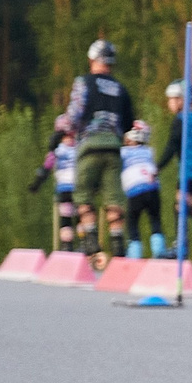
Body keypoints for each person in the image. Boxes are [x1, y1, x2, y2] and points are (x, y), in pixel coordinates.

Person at [63, 40, 135, 268]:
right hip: (113, 148)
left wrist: (63, 129)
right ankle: (118, 249)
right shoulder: (121, 88)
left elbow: (74, 115)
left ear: (92, 59)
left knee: (83, 196)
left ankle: (92, 245)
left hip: (89, 146)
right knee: (114, 199)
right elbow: (129, 123)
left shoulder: (84, 82)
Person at [156, 80, 192, 261]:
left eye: (172, 99)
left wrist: (157, 167)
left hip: (189, 170)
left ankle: (181, 246)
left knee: (179, 206)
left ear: (182, 99)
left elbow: (172, 146)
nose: (169, 103)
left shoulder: (181, 120)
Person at [28, 116, 80, 250]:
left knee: (66, 218)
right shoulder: (80, 147)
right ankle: (84, 244)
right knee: (81, 216)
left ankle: (67, 246)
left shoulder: (56, 150)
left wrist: (36, 184)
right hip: (80, 188)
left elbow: (45, 169)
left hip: (64, 189)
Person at [120, 120, 166, 260]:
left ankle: (135, 254)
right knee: (155, 220)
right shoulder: (149, 151)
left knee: (132, 222)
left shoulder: (123, 152)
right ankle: (159, 251)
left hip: (135, 191)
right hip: (152, 188)